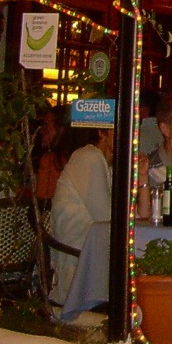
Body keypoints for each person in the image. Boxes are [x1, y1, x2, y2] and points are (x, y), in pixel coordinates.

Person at [49, 126, 118, 304]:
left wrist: (140, 180)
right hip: (79, 260)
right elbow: (107, 218)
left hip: (93, 255)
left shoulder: (106, 164)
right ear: (102, 133)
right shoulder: (89, 158)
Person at [32, 104, 70, 200]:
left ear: (60, 129)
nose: (41, 131)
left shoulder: (51, 161)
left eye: (46, 125)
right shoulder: (77, 158)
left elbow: (42, 198)